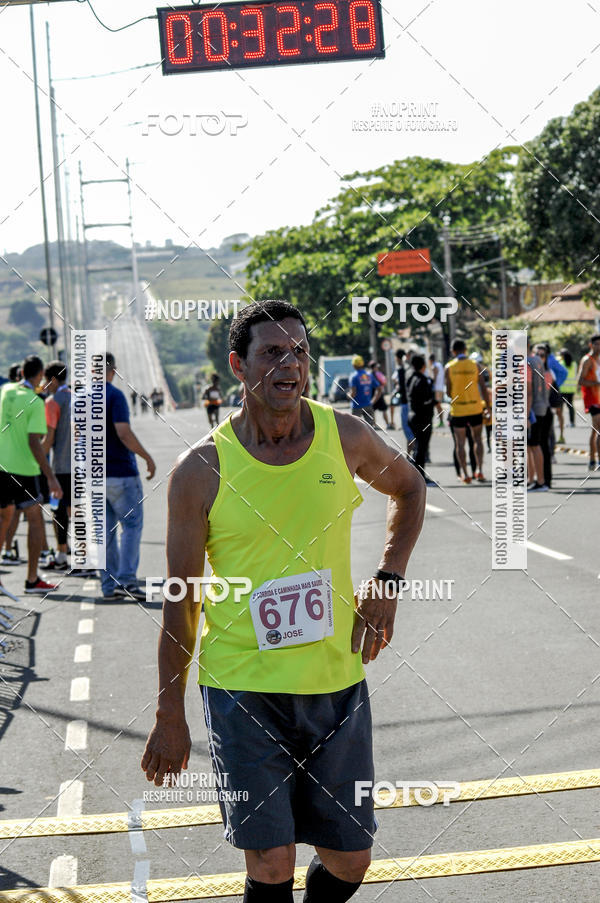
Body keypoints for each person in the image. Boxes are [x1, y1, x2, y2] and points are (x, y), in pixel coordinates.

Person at [141, 300, 425, 903]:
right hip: (243, 686)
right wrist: (170, 713)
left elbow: (409, 486)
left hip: (334, 683)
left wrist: (389, 578)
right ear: (238, 367)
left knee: (351, 858)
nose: (289, 363)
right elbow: (180, 600)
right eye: (272, 352)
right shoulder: (201, 470)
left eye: (298, 350)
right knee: (270, 863)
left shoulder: (342, 436)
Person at [0, 355, 62, 595]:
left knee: (4, 518)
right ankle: (32, 579)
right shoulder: (35, 402)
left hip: (1, 466)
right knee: (35, 520)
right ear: (38, 377)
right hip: (24, 469)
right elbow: (34, 443)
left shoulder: (5, 391)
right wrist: (51, 476)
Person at [101, 353, 156, 600]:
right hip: (121, 473)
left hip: (95, 475)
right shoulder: (114, 395)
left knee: (106, 531)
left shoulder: (80, 398)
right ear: (112, 371)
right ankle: (127, 581)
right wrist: (146, 456)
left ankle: (108, 585)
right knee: (131, 526)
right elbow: (123, 432)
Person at [43, 360, 80, 574]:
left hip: (61, 466)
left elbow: (49, 438)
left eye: (47, 382)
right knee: (76, 509)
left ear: (54, 380)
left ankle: (61, 554)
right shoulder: (78, 398)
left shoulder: (52, 402)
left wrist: (37, 456)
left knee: (58, 512)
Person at [445, 340, 489, 483]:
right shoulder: (475, 365)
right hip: (475, 407)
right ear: (465, 350)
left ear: (453, 351)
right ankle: (479, 470)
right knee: (478, 440)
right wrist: (488, 406)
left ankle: (465, 474)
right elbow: (483, 387)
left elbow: (448, 391)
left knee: (460, 443)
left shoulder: (449, 367)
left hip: (458, 409)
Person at [406, 355, 435, 484]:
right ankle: (420, 476)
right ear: (423, 366)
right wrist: (433, 401)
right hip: (422, 417)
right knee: (421, 448)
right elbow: (426, 400)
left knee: (419, 447)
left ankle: (416, 474)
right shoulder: (423, 380)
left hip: (413, 416)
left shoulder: (411, 378)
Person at [526, 340, 549, 492]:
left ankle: (540, 482)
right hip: (541, 405)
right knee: (531, 446)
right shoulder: (537, 360)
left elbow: (528, 392)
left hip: (533, 409)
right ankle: (532, 479)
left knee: (534, 445)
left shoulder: (526, 362)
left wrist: (526, 415)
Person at [577, 333, 600, 471]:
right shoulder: (587, 360)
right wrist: (596, 383)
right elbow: (580, 380)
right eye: (597, 344)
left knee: (595, 431)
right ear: (590, 345)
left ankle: (592, 460)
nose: (599, 347)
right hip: (592, 400)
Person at [349, 354, 381, 427]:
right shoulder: (369, 375)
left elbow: (353, 394)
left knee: (354, 428)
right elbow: (379, 389)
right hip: (368, 405)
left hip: (357, 407)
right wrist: (373, 401)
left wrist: (348, 395)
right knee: (370, 429)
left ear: (354, 365)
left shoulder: (354, 376)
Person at [390, 349, 414, 448]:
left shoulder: (401, 370)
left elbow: (399, 384)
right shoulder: (411, 368)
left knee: (407, 429)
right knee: (414, 428)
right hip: (414, 403)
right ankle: (417, 454)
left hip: (405, 403)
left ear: (397, 358)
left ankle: (411, 455)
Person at [368, 360, 393, 430]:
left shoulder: (368, 374)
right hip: (379, 393)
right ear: (375, 367)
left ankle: (374, 424)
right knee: (384, 409)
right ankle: (388, 424)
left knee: (372, 410)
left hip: (372, 394)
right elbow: (384, 382)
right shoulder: (378, 374)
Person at [558, 348, 577, 431]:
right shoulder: (574, 364)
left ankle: (561, 422)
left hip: (562, 388)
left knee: (561, 407)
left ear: (562, 356)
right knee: (570, 406)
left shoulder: (561, 363)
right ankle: (572, 422)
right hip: (572, 388)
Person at [428, 353, 445, 426]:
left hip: (436, 388)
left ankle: (441, 422)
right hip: (441, 387)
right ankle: (441, 421)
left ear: (430, 360)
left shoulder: (434, 366)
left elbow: (434, 378)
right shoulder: (439, 365)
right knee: (438, 405)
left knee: (438, 405)